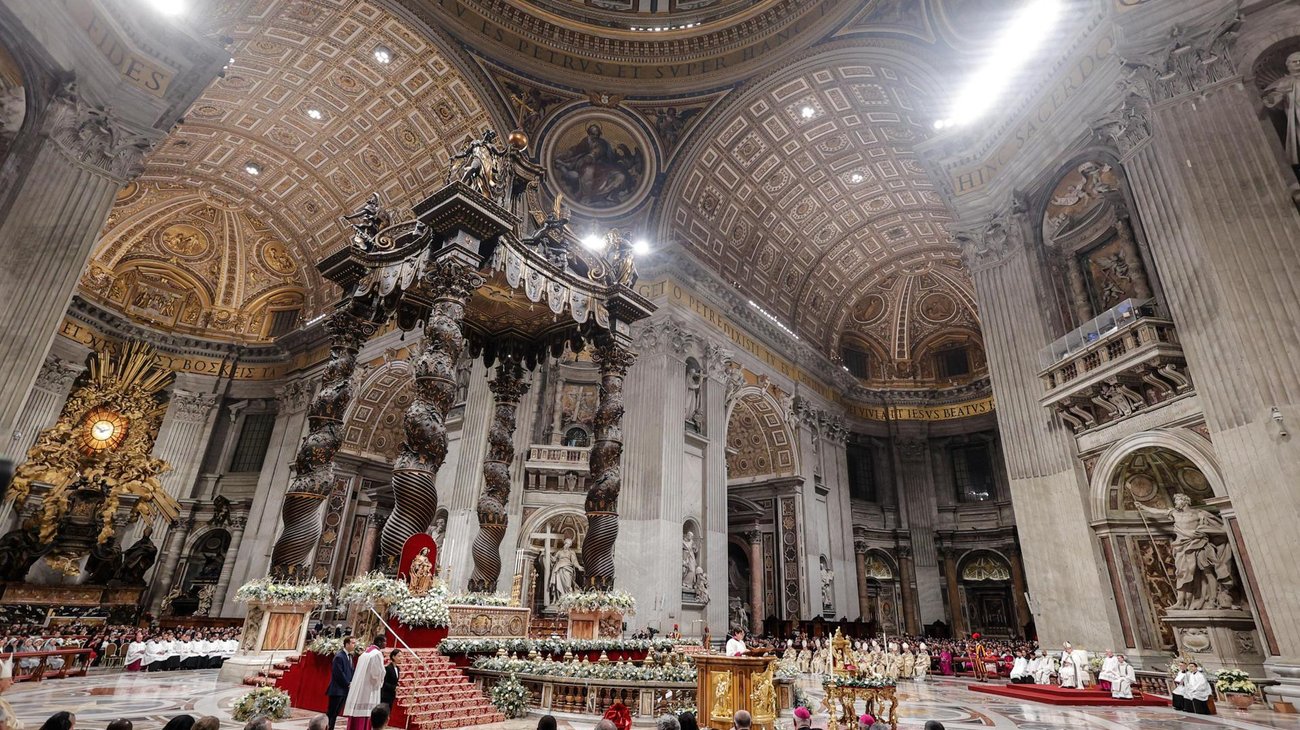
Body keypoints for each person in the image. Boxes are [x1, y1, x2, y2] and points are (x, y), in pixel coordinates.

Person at [342, 636, 386, 730]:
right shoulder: (377, 654)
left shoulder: (365, 653)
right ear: (379, 642)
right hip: (369, 689)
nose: (385, 644)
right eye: (384, 642)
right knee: (366, 711)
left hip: (360, 688)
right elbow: (376, 674)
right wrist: (381, 678)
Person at [327, 636, 356, 730]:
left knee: (336, 713)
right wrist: (348, 683)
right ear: (347, 644)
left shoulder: (350, 656)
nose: (354, 645)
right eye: (352, 643)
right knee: (331, 713)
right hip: (337, 690)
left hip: (344, 690)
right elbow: (338, 673)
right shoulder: (339, 656)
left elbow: (351, 671)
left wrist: (352, 682)